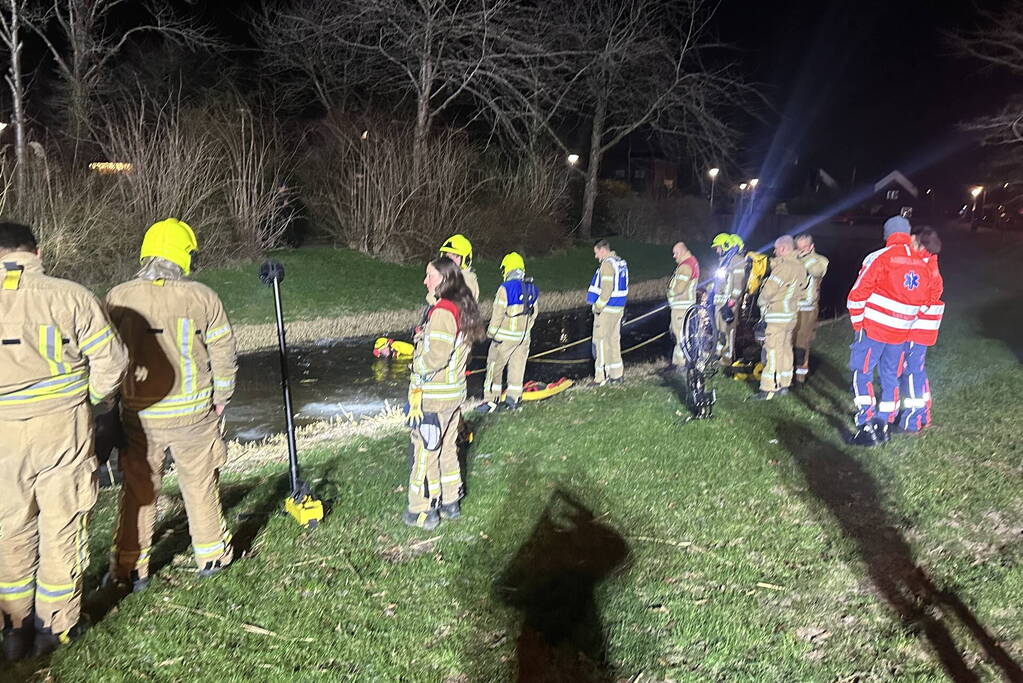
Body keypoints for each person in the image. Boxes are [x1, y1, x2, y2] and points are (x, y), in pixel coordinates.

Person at [0, 221, 128, 660]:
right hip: (63, 427)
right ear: (36, 253)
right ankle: (55, 626)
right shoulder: (71, 294)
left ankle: (14, 629)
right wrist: (92, 399)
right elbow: (112, 361)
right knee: (63, 523)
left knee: (10, 527)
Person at [104, 219, 238, 593]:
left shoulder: (117, 297)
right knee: (199, 485)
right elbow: (223, 354)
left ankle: (130, 569)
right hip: (194, 415)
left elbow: (107, 358)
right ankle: (211, 557)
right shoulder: (203, 297)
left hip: (139, 416)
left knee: (138, 490)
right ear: (184, 256)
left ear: (147, 253)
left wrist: (110, 402)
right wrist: (221, 399)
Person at [405, 257, 483, 530]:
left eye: (431, 276)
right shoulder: (463, 309)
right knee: (448, 448)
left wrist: (416, 366)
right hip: (454, 395)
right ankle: (451, 501)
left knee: (425, 452)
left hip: (434, 398)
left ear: (446, 279)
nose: (425, 281)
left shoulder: (442, 312)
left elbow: (436, 356)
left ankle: (423, 508)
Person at [846, 215, 935, 446]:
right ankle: (885, 419)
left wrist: (859, 324)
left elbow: (857, 295)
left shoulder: (878, 257)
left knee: (862, 372)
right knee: (890, 375)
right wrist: (904, 319)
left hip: (873, 328)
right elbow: (927, 301)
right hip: (900, 333)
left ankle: (865, 419)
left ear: (887, 234)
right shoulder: (921, 263)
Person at [476, 252, 539, 413]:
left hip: (503, 339)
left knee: (493, 368)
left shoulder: (504, 289)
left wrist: (490, 334)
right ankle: (514, 399)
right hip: (523, 339)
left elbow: (497, 315)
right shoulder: (532, 287)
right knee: (517, 369)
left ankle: (491, 401)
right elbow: (535, 313)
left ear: (507, 269)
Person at [897, 226, 944, 432]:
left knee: (911, 370)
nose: (909, 244)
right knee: (917, 369)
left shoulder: (923, 267)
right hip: (922, 328)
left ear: (920, 244)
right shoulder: (929, 264)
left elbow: (919, 297)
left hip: (916, 328)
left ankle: (912, 420)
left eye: (912, 241)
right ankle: (924, 412)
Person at [751, 236, 807, 400]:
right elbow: (801, 292)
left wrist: (760, 300)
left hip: (777, 315)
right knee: (786, 349)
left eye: (776, 249)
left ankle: (768, 388)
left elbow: (769, 290)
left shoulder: (783, 268)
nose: (774, 252)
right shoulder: (800, 268)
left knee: (772, 350)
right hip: (790, 315)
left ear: (783, 249)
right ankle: (785, 383)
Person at [587, 239, 629, 386]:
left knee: (601, 342)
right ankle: (616, 375)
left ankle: (600, 377)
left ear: (603, 250)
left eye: (596, 253)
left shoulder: (606, 264)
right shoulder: (620, 263)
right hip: (618, 309)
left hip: (607, 310)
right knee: (613, 341)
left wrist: (597, 307)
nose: (596, 257)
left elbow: (606, 290)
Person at [792, 233, 830, 382]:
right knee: (788, 341)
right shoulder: (793, 259)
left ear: (812, 247)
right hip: (791, 307)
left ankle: (800, 376)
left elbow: (816, 271)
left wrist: (804, 258)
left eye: (805, 247)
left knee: (802, 342)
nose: (801, 250)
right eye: (799, 248)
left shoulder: (820, 260)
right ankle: (788, 374)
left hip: (808, 309)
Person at [710, 233, 748, 365]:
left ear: (726, 245)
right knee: (720, 330)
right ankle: (719, 354)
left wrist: (733, 299)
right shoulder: (725, 261)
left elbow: (739, 283)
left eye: (718, 247)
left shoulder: (737, 260)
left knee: (728, 331)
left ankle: (728, 358)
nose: (717, 250)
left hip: (729, 303)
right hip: (720, 302)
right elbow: (720, 281)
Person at [666, 241, 700, 369]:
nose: (674, 256)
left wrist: (669, 292)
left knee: (680, 336)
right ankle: (679, 362)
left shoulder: (685, 267)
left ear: (683, 251)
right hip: (685, 306)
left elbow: (679, 288)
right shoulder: (691, 262)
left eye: (676, 253)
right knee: (682, 334)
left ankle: (681, 363)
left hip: (681, 306)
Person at [438, 233, 479, 301]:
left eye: (455, 255)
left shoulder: (466, 281)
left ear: (466, 259)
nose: (450, 259)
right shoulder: (449, 276)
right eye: (447, 255)